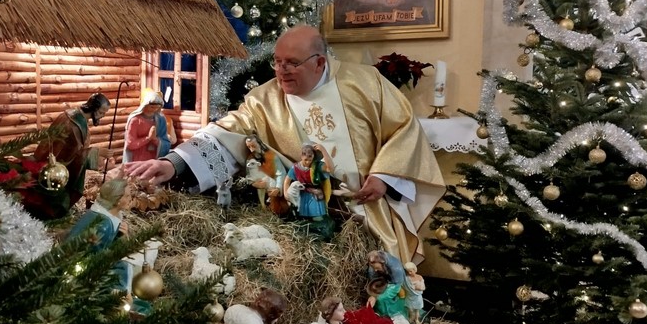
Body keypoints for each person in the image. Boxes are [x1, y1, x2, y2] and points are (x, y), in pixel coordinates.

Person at [124, 25, 445, 265]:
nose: (281, 72)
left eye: (291, 63)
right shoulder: (264, 100)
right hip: (306, 219)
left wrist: (383, 177)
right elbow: (226, 134)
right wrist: (173, 163)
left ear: (319, 62)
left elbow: (405, 130)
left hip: (369, 210)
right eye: (277, 62)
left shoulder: (366, 83)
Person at [26, 93, 113, 219]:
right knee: (57, 199)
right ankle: (50, 214)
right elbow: (71, 156)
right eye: (101, 112)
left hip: (56, 162)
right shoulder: (74, 125)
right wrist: (96, 152)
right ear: (93, 108)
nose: (102, 116)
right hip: (56, 169)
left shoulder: (75, 115)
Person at [65, 178, 132, 291]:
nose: (130, 199)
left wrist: (121, 237)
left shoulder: (109, 217)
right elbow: (99, 260)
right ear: (117, 200)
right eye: (127, 196)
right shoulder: (104, 225)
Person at [283, 142, 333, 221]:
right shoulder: (295, 167)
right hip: (302, 194)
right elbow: (287, 180)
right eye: (305, 160)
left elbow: (330, 168)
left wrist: (323, 150)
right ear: (301, 156)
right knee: (301, 216)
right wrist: (286, 193)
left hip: (316, 194)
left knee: (318, 218)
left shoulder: (317, 166)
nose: (308, 162)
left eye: (310, 160)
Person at [244, 134, 288, 215]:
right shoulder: (250, 160)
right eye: (249, 147)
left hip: (273, 187)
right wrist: (254, 184)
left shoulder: (272, 156)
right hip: (259, 190)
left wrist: (278, 188)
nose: (251, 150)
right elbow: (248, 176)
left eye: (253, 146)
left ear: (259, 144)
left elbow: (280, 174)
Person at [123, 90, 171, 163]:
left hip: (154, 157)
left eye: (157, 107)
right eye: (152, 107)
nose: (154, 110)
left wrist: (155, 140)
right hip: (138, 158)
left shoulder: (160, 119)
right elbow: (130, 144)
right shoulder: (135, 120)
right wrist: (148, 138)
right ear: (145, 105)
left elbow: (166, 142)